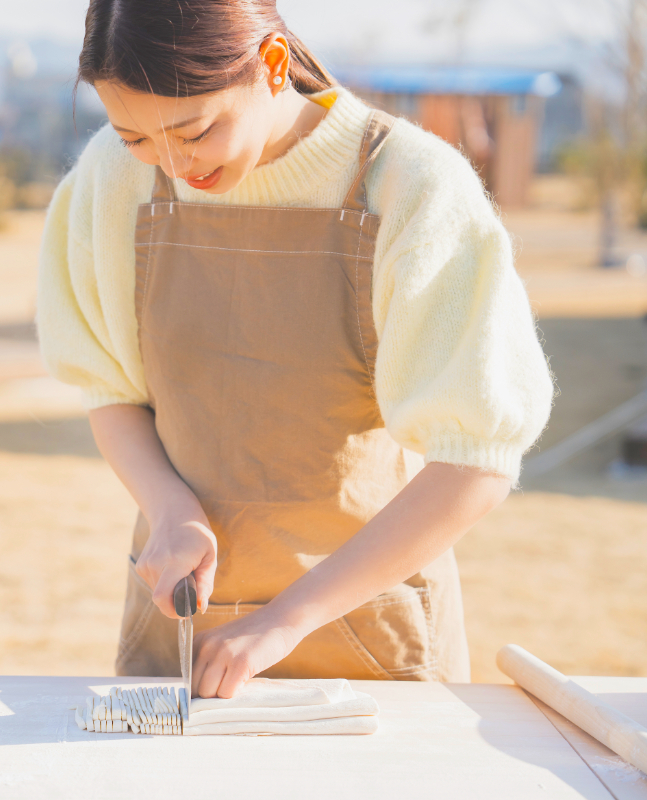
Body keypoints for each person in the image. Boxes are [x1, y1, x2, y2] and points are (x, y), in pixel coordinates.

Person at [36, 0, 554, 699]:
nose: (174, 164)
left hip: (372, 647)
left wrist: (287, 619)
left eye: (196, 131)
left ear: (274, 64)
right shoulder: (113, 179)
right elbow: (110, 389)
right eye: (136, 139)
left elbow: (474, 465)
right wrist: (169, 508)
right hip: (185, 643)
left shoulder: (411, 187)